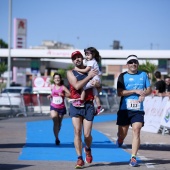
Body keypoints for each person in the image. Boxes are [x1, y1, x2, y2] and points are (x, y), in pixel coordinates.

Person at [116, 55, 152, 167]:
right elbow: (119, 92)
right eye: (131, 62)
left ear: (138, 63)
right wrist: (135, 91)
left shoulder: (143, 75)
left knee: (137, 130)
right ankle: (120, 138)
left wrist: (143, 94)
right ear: (127, 64)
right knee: (123, 132)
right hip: (124, 109)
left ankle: (133, 157)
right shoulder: (122, 76)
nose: (133, 64)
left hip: (138, 109)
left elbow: (149, 89)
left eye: (135, 62)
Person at [67, 50, 99, 169]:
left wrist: (96, 83)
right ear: (73, 61)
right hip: (75, 104)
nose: (77, 59)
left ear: (82, 58)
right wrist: (89, 77)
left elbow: (99, 86)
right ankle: (79, 158)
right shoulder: (70, 72)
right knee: (77, 132)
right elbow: (76, 86)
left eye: (79, 57)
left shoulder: (91, 68)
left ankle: (88, 149)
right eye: (75, 58)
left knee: (87, 134)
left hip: (88, 104)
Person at [71, 47, 104, 115]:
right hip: (96, 78)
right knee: (95, 95)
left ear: (93, 54)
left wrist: (77, 69)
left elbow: (86, 70)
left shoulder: (91, 62)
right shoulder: (94, 61)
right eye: (86, 54)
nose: (87, 56)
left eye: (88, 54)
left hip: (94, 79)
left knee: (83, 87)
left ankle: (81, 101)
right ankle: (99, 107)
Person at [47, 73, 70, 145]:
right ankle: (56, 138)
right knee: (55, 122)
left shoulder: (63, 87)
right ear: (53, 80)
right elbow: (53, 94)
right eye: (55, 78)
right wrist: (50, 95)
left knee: (59, 124)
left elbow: (70, 94)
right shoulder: (52, 87)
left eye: (58, 78)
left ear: (60, 79)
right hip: (53, 106)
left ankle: (57, 134)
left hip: (61, 107)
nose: (57, 79)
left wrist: (63, 95)